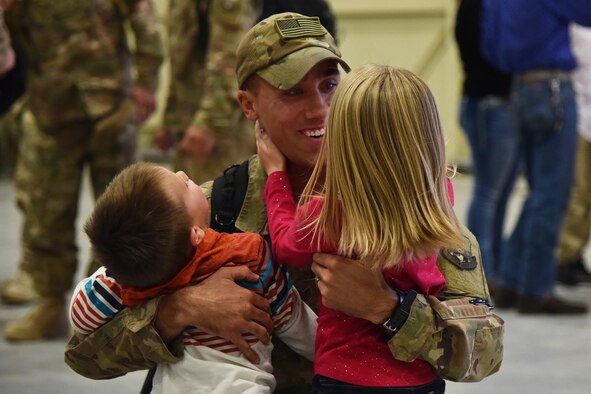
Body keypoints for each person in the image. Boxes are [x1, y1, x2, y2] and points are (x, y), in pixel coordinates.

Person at [65, 13, 501, 392]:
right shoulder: (211, 208)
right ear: (248, 105)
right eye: (293, 92)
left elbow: (484, 353)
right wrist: (178, 310)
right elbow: (84, 354)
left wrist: (388, 308)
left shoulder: (405, 194)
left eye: (330, 85)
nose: (321, 109)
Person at [256, 64, 463, 392]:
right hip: (423, 377)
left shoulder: (331, 214)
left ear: (343, 140)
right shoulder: (439, 196)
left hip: (347, 378)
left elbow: (284, 243)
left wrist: (276, 176)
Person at [69, 162, 316, 393]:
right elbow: (298, 324)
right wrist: (175, 309)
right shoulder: (246, 251)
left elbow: (82, 315)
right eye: (185, 185)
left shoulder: (141, 267)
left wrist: (115, 272)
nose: (183, 174)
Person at [3, 0, 164, 341]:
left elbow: (146, 24)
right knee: (46, 215)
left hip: (109, 110)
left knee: (120, 217)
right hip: (51, 112)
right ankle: (50, 306)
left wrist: (145, 86)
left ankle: (108, 309)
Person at [481, 0, 590, 313]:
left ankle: (512, 281)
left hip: (519, 88)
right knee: (552, 196)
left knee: (537, 195)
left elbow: (489, 44)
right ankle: (535, 290)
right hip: (554, 87)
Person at [152, 0, 259, 185]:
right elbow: (181, 59)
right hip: (188, 122)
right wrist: (169, 119)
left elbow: (229, 58)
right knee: (188, 205)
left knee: (220, 205)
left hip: (221, 128)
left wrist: (210, 123)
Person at [454, 0, 518, 284]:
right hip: (489, 106)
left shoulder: (480, 6)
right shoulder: (478, 7)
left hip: (491, 105)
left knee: (499, 192)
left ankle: (496, 267)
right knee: (489, 192)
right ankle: (481, 270)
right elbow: (494, 58)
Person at [555, 24, 591, 286]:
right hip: (578, 116)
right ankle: (564, 256)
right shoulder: (574, 23)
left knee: (587, 192)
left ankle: (575, 252)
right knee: (577, 191)